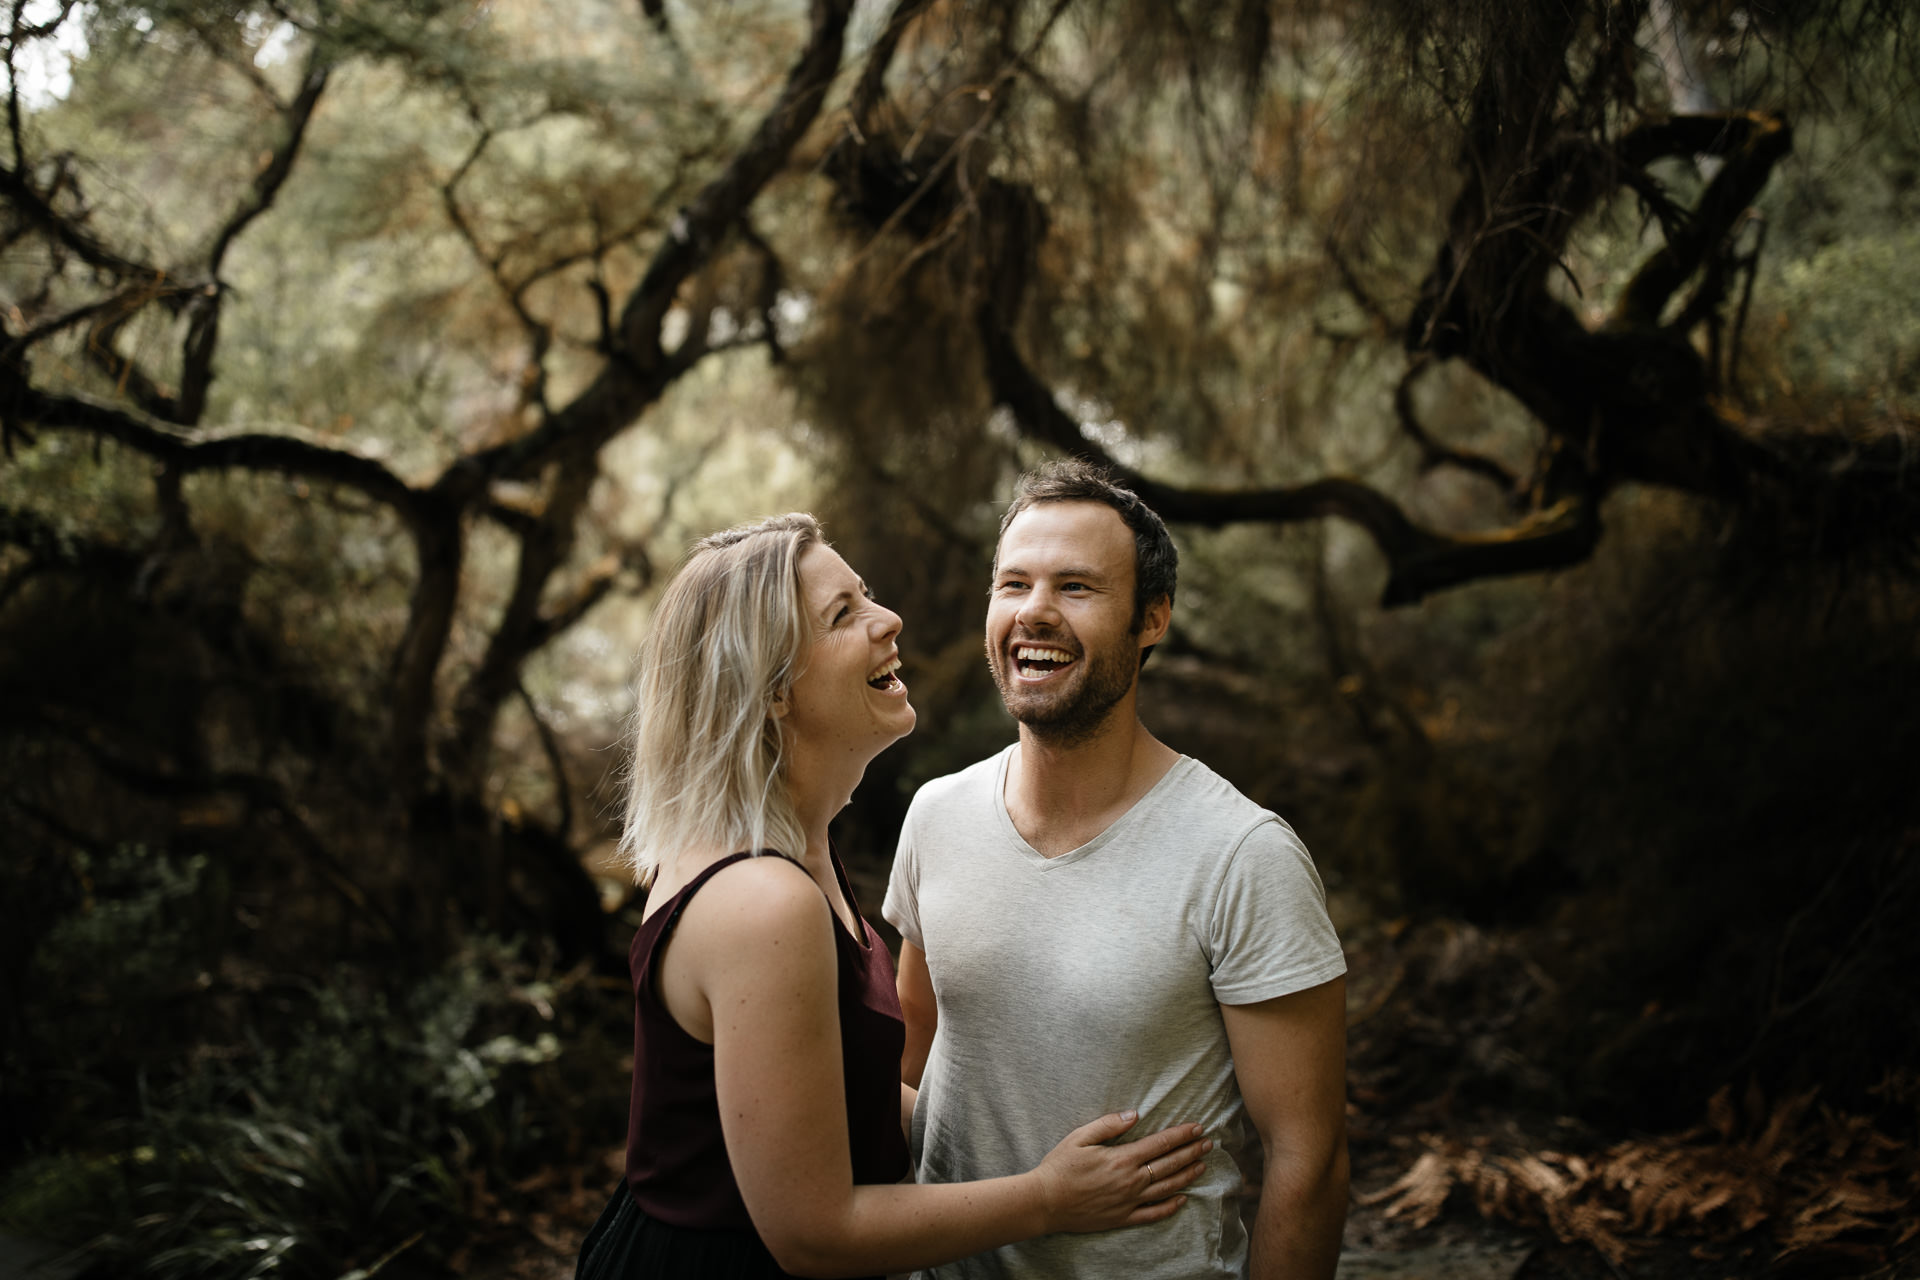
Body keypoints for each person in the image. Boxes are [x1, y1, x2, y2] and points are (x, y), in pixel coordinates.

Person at [577, 512, 1213, 1280]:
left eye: (865, 594)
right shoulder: (760, 902)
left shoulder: (799, 853)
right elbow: (814, 1233)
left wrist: (1015, 1135)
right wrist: (1046, 1198)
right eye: (843, 615)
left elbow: (840, 1094)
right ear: (773, 691)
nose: (889, 620)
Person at [884, 462, 1350, 1279]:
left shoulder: (1244, 856)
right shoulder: (936, 816)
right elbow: (911, 1059)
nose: (1035, 611)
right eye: (1014, 583)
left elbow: (1307, 1162)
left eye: (1076, 587)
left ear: (1153, 619)